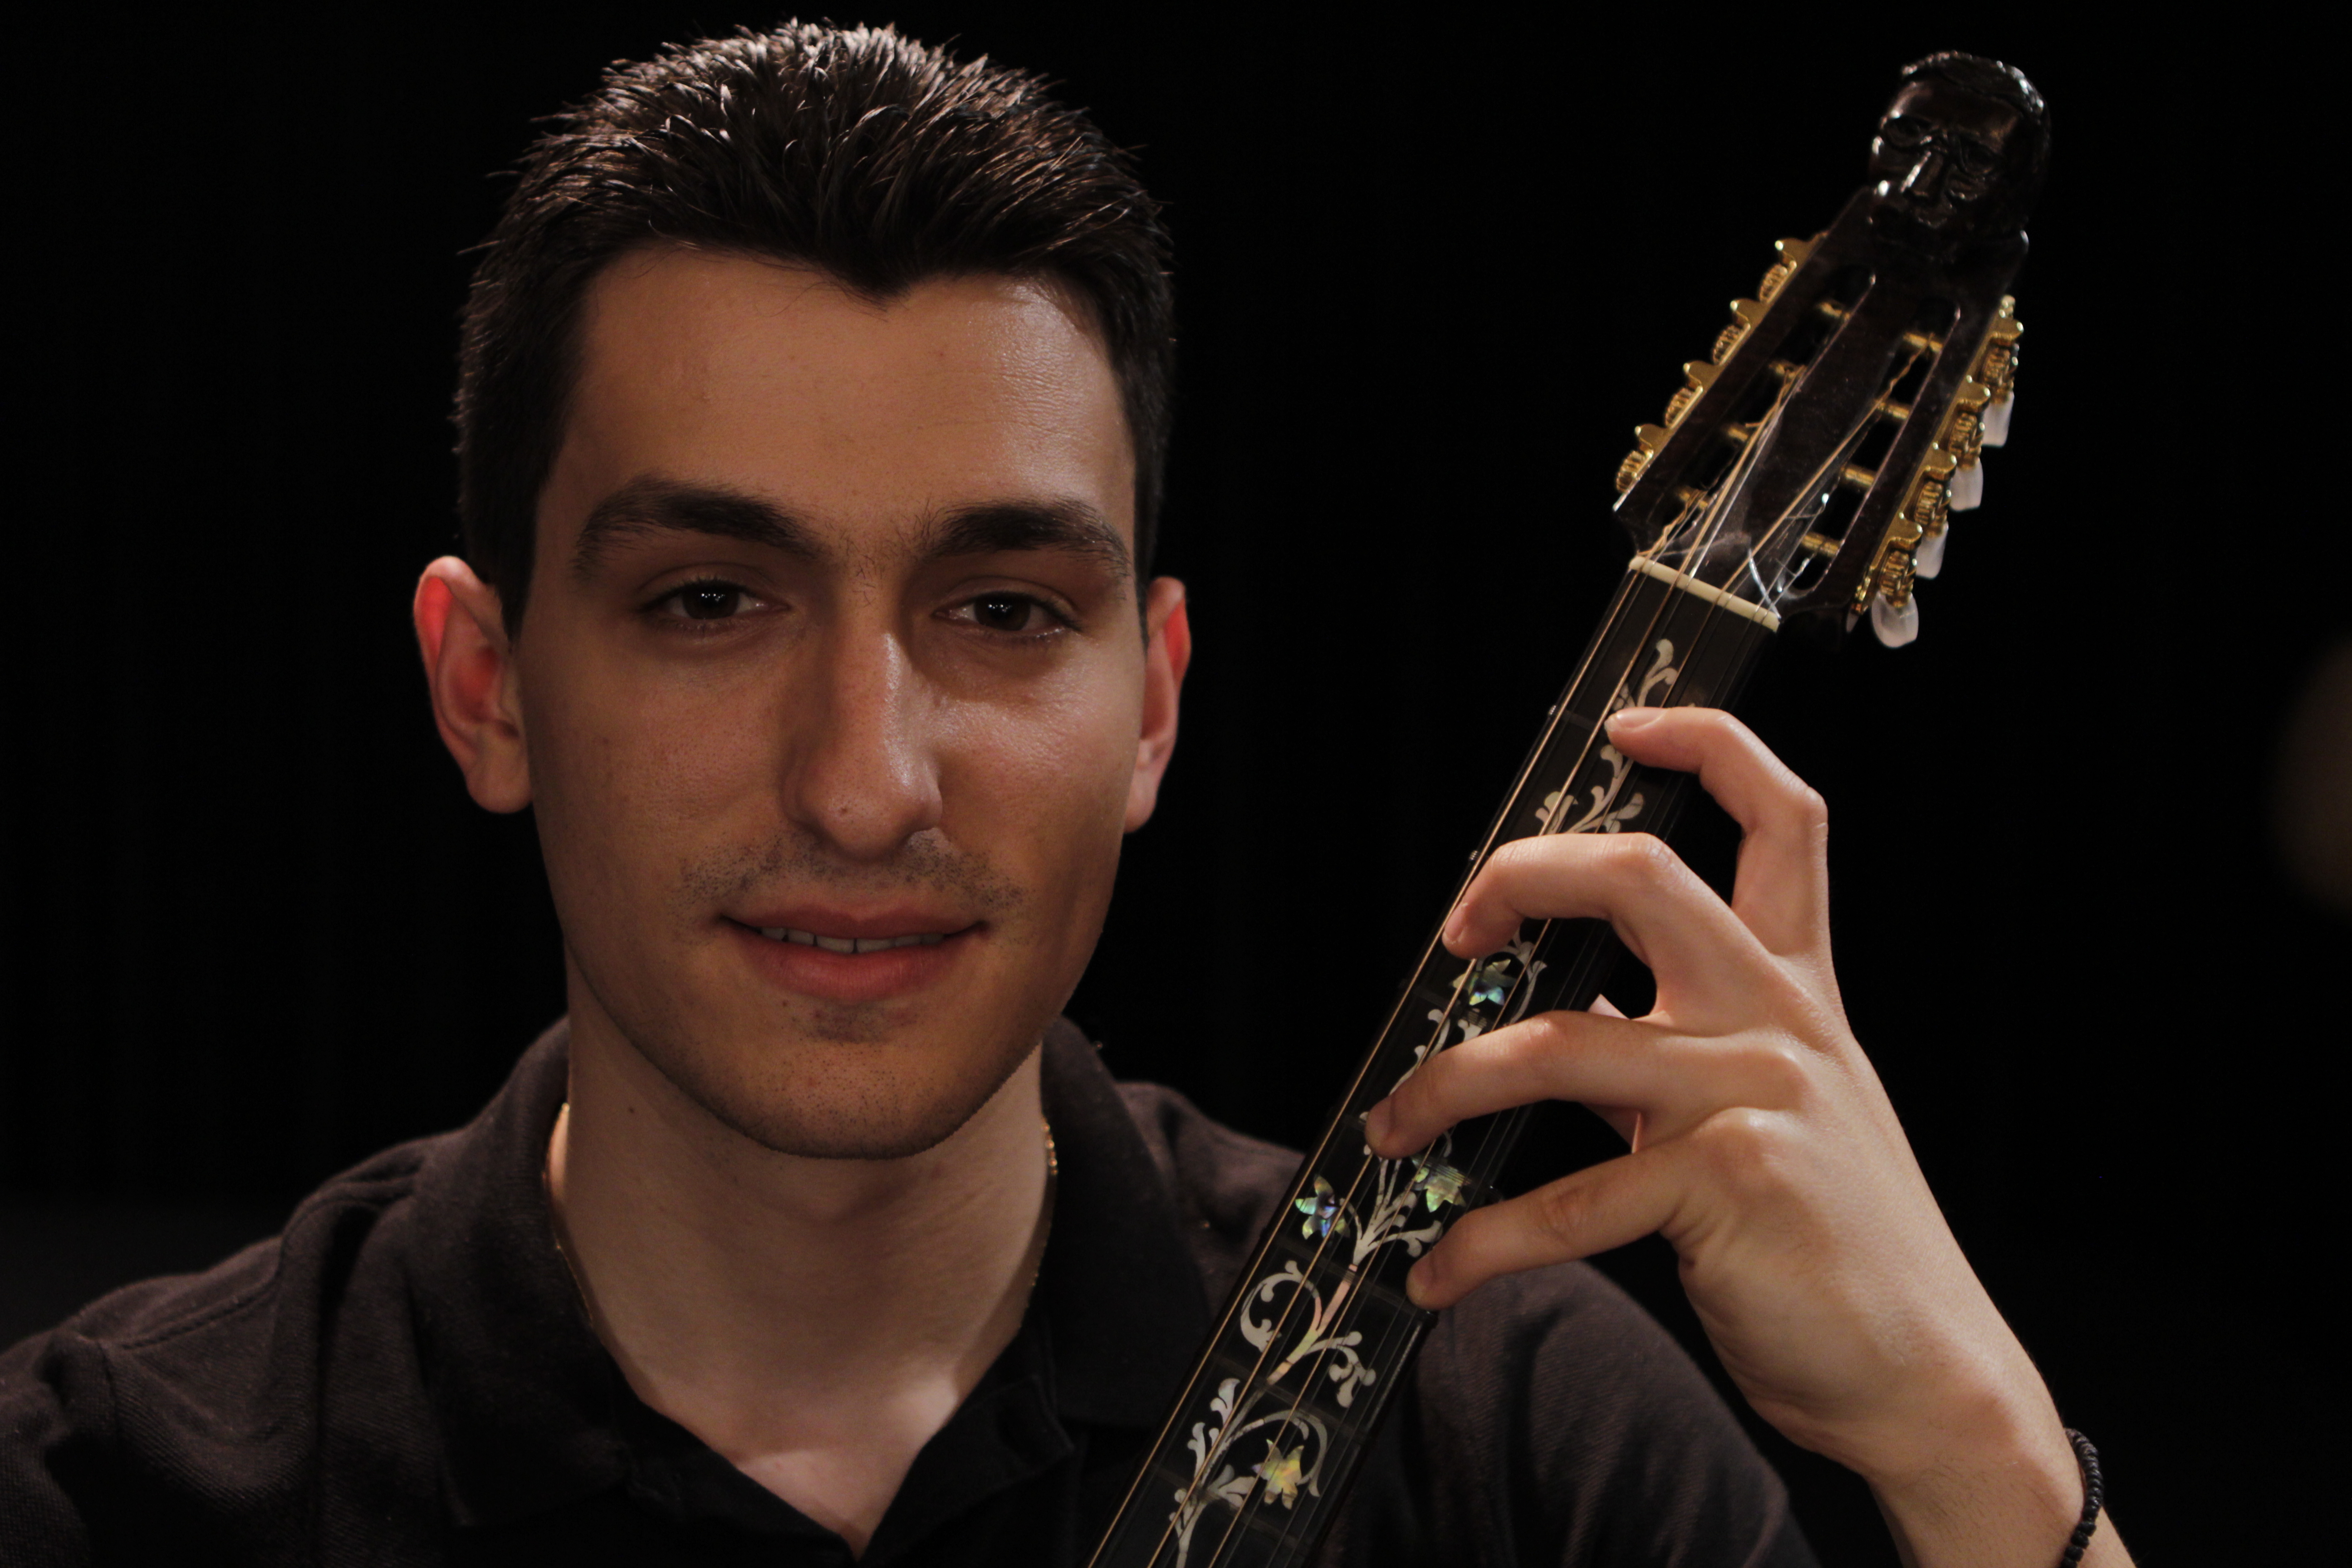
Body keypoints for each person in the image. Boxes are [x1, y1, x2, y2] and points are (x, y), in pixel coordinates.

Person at [0, 23, 2128, 1567]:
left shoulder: (1528, 1447)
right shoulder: (109, 1491)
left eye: (1005, 610)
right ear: (488, 692)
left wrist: (1976, 1455)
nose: (864, 786)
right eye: (712, 600)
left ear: (1153, 709)